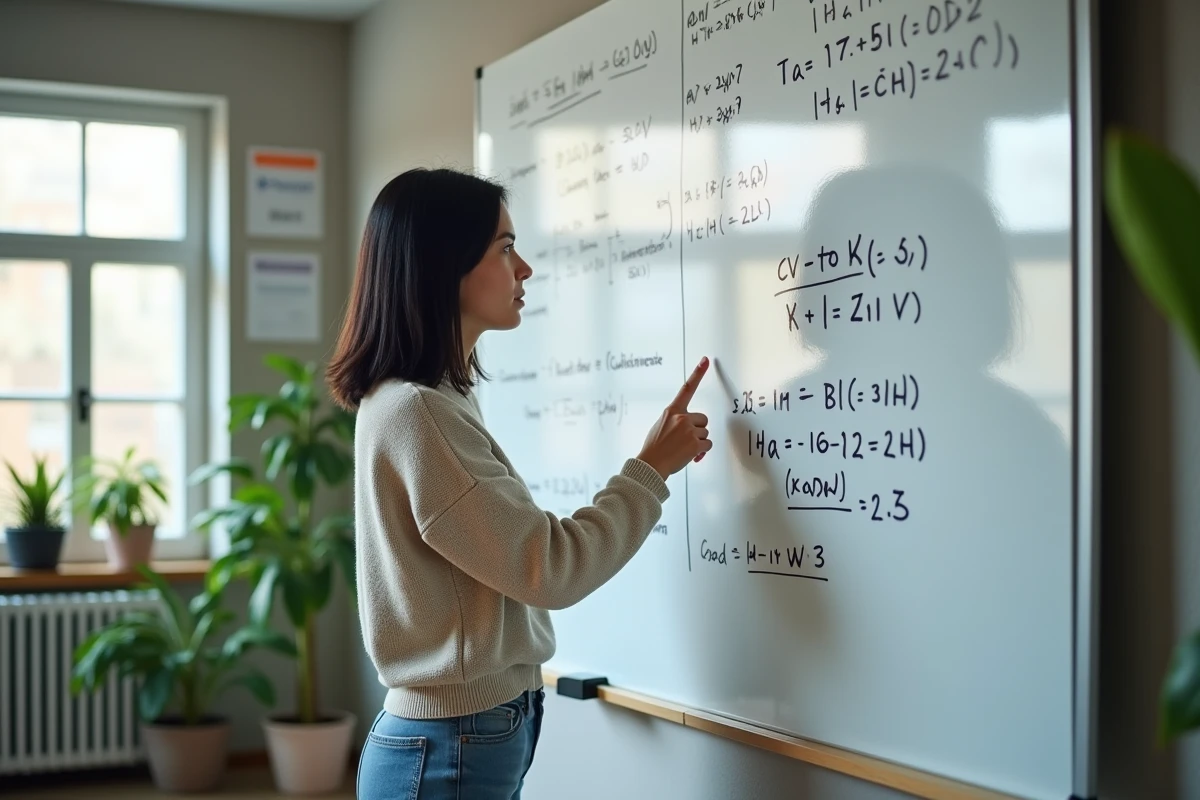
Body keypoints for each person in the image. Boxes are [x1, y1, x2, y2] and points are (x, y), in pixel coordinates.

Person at [327, 167, 712, 799]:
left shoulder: (430, 398)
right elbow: (548, 568)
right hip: (450, 744)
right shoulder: (419, 412)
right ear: (443, 264)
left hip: (457, 737)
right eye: (505, 249)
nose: (524, 268)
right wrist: (650, 471)